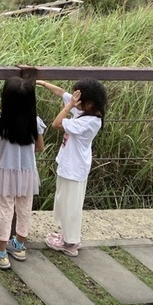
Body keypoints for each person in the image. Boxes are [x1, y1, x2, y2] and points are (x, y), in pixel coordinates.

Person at [37, 78, 107, 257]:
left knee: (71, 205)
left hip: (74, 168)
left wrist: (68, 106)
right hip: (71, 165)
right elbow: (60, 92)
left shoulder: (89, 122)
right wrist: (42, 83)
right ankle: (67, 236)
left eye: (78, 100)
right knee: (65, 201)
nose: (74, 102)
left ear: (89, 103)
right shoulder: (85, 111)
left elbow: (56, 124)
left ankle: (70, 243)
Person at [0, 77, 45, 270]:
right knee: (24, 208)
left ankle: (1, 251)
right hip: (27, 172)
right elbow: (40, 147)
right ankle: (19, 246)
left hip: (5, 171)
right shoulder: (35, 122)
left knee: (5, 210)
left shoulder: (0, 123)